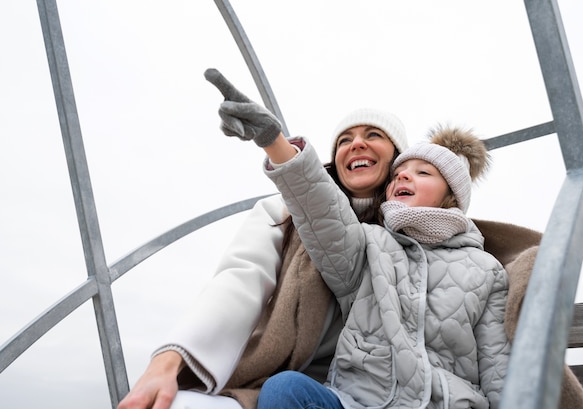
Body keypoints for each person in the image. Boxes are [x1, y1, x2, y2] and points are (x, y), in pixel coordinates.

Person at [203, 69, 511, 408]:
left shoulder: (486, 270)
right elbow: (323, 215)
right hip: (361, 402)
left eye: (423, 173)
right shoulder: (371, 245)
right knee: (285, 390)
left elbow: (498, 366)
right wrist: (276, 143)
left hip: (444, 403)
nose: (405, 175)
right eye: (399, 174)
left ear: (450, 195)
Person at [117, 75, 409, 408]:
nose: (356, 144)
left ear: (399, 158)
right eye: (344, 140)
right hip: (272, 384)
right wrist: (167, 362)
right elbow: (240, 279)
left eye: (373, 135)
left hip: (371, 394)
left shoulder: (415, 237)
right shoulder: (282, 213)